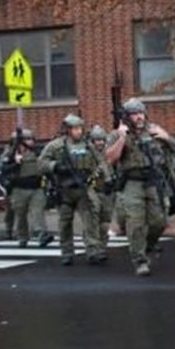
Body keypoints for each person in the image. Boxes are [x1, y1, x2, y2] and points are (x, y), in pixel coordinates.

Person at [105, 98, 175, 276]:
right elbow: (110, 158)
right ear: (127, 117)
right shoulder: (118, 134)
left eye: (141, 113)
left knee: (159, 222)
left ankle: (147, 247)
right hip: (132, 183)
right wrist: (122, 137)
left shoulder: (152, 130)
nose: (139, 117)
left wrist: (165, 137)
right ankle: (140, 261)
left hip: (153, 181)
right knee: (135, 223)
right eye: (135, 114)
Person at [39, 114, 106, 265]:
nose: (79, 131)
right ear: (67, 129)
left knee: (90, 220)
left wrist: (100, 176)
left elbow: (101, 162)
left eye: (80, 128)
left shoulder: (88, 145)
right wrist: (55, 166)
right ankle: (67, 252)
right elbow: (41, 163)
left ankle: (93, 250)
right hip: (64, 189)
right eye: (75, 128)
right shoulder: (56, 146)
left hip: (84, 188)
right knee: (65, 222)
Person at [0, 128, 53, 248]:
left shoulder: (37, 153)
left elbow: (46, 168)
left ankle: (41, 233)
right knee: (20, 215)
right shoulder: (9, 154)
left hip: (36, 188)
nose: (30, 142)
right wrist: (15, 163)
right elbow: (4, 170)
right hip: (18, 189)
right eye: (27, 139)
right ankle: (22, 237)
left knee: (38, 211)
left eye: (31, 139)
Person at [88, 125, 117, 248]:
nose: (100, 143)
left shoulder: (109, 153)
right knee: (93, 219)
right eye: (97, 140)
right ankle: (93, 246)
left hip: (108, 191)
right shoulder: (88, 154)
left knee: (106, 220)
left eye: (101, 140)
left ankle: (102, 246)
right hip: (93, 190)